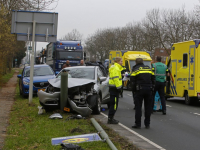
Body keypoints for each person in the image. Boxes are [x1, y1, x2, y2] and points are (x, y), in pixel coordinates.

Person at [130, 58, 155, 129]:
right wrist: (152, 88)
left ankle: (138, 124)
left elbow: (132, 81)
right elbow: (153, 79)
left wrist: (134, 90)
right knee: (148, 107)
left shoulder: (136, 69)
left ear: (136, 63)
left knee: (138, 107)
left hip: (139, 90)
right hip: (149, 89)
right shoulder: (149, 69)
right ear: (143, 62)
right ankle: (147, 124)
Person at [107, 57, 123, 124]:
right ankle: (110, 119)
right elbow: (116, 79)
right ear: (118, 61)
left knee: (113, 104)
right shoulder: (116, 68)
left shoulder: (115, 68)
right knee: (114, 104)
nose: (122, 62)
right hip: (115, 88)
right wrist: (119, 88)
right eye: (121, 61)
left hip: (113, 88)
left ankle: (111, 118)